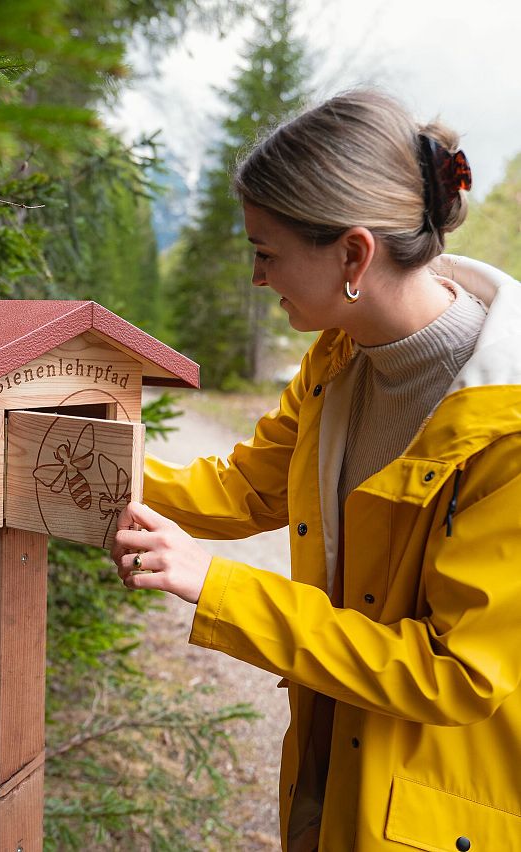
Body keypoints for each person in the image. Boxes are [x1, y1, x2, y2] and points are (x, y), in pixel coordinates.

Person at [111, 89, 521, 851]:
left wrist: (218, 586)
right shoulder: (337, 359)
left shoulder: (509, 431)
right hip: (326, 780)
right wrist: (96, 467)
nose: (259, 277)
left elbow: (454, 675)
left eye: (267, 252)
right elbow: (247, 487)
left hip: (434, 824)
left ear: (354, 254)